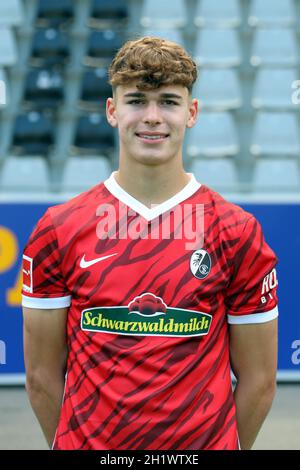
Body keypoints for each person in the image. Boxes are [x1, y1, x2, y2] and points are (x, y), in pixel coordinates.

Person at [22, 36, 278, 450]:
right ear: (112, 110)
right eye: (137, 100)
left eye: (169, 102)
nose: (153, 117)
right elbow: (40, 378)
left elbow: (260, 381)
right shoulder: (58, 229)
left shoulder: (236, 230)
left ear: (191, 113)